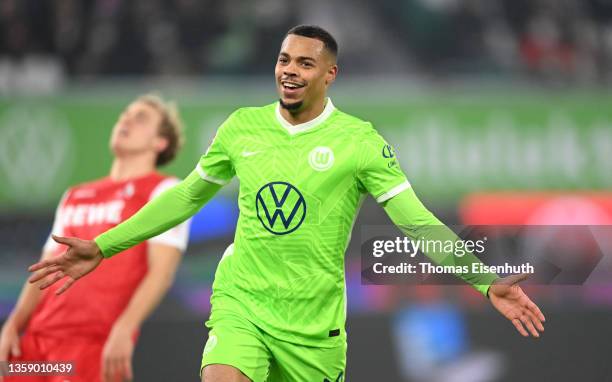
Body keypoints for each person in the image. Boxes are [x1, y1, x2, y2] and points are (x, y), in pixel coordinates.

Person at [27, 26, 545, 382]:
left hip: (313, 327)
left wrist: (483, 279)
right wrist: (104, 246)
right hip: (242, 303)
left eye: (305, 63)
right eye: (283, 59)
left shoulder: (359, 142)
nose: (289, 71)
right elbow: (186, 196)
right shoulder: (241, 127)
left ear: (330, 74)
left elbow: (417, 221)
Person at [1, 94, 191, 382]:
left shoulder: (164, 191)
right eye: (124, 114)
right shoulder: (75, 194)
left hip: (91, 344)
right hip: (34, 341)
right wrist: (14, 323)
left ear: (160, 142)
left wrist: (126, 328)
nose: (125, 119)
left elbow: (161, 273)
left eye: (140, 117)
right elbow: (46, 266)